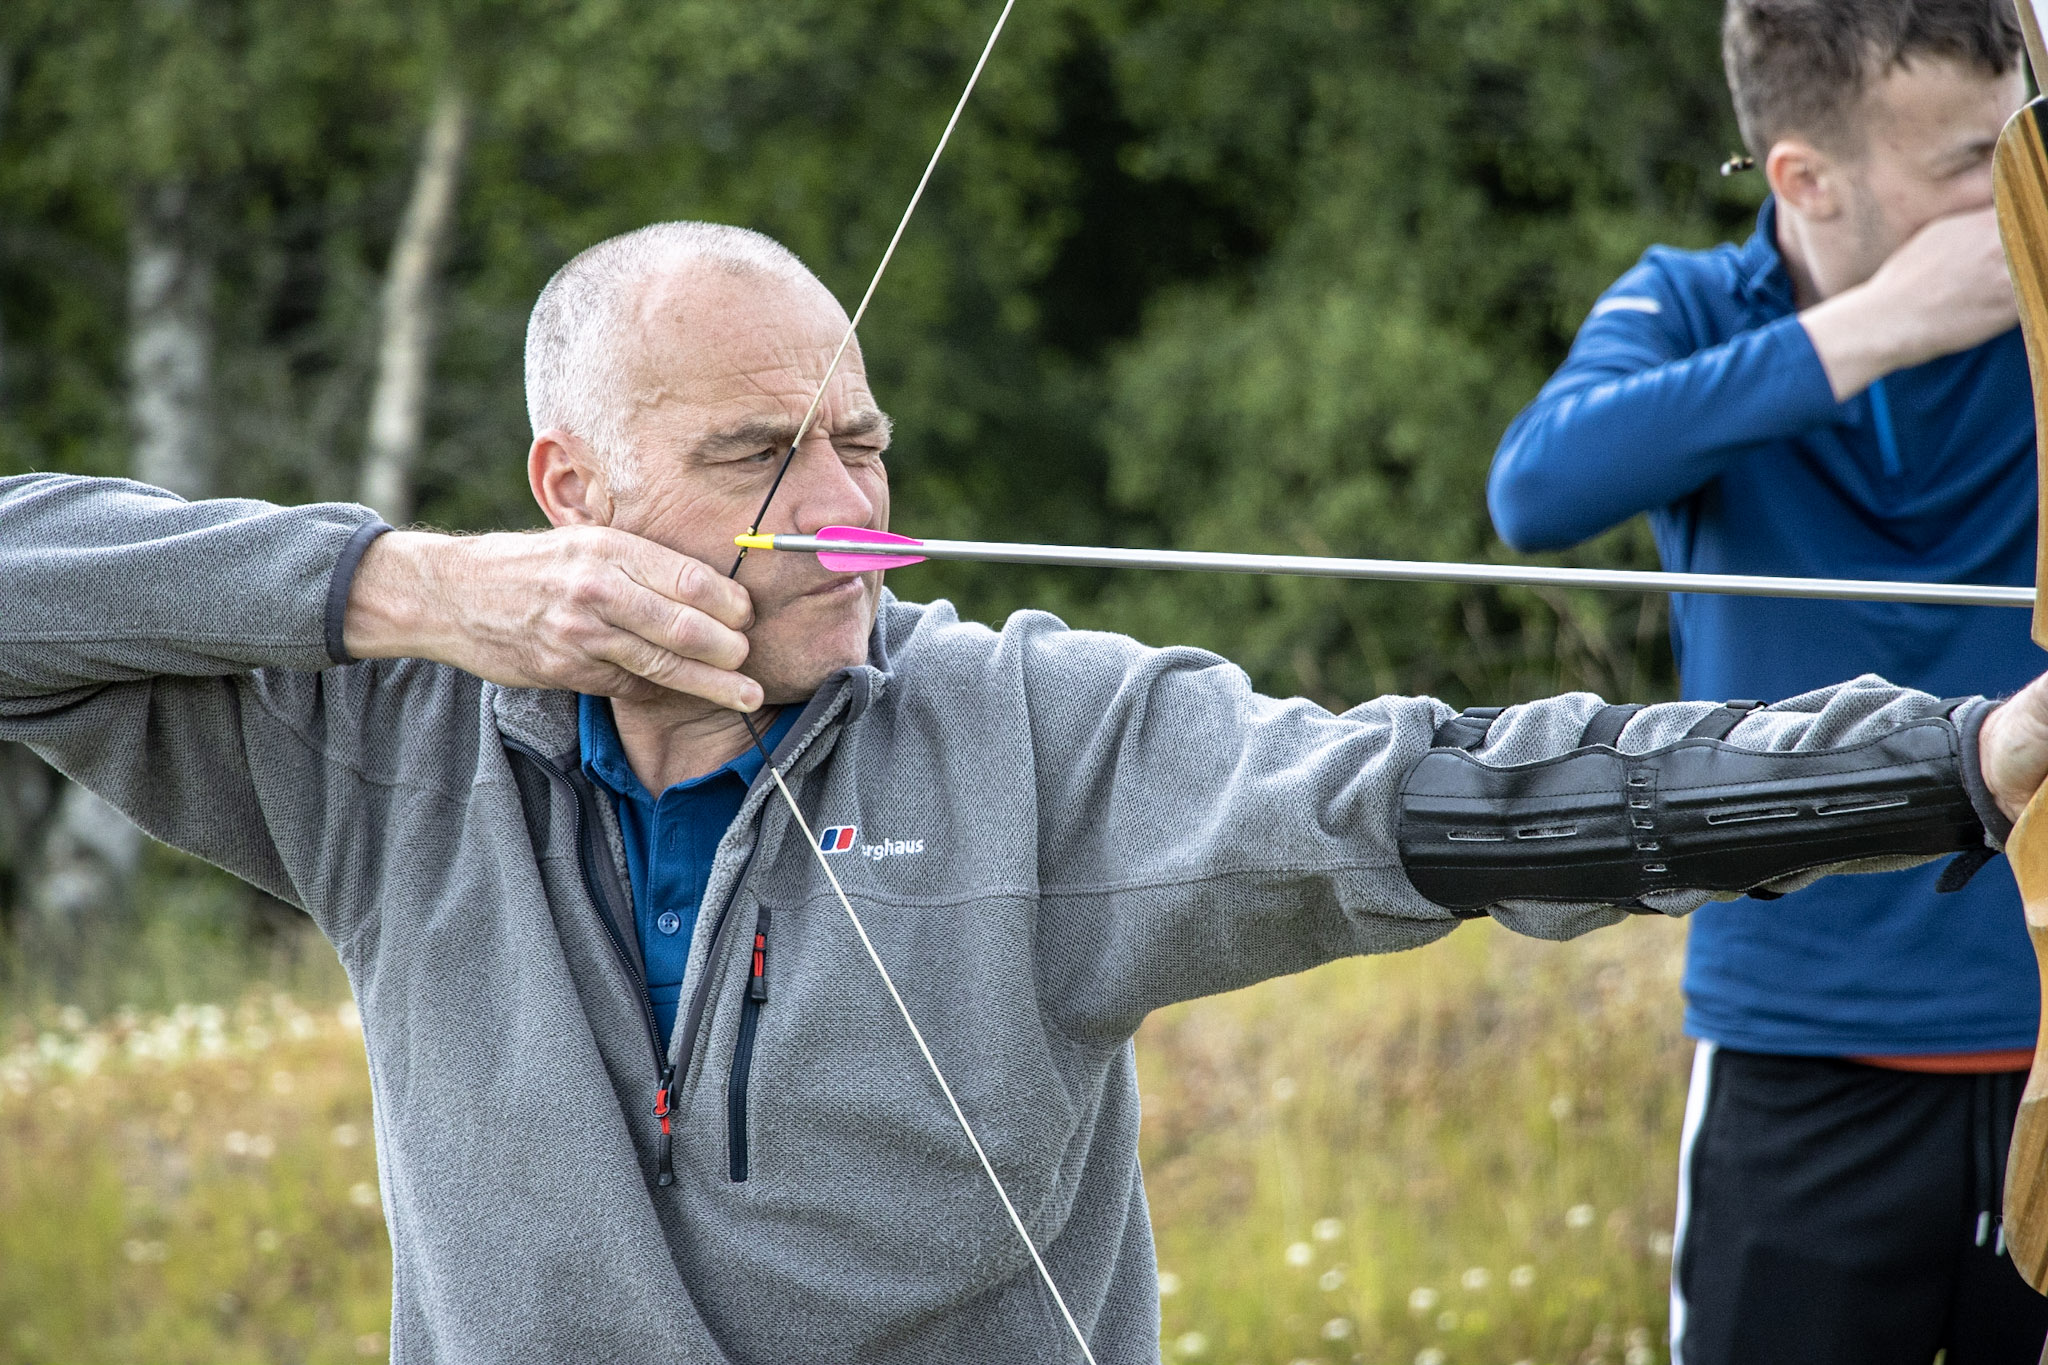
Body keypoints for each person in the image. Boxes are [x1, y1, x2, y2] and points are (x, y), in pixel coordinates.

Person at [6, 222, 2048, 1365]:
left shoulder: (1032, 736)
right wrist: (407, 590)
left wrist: (1964, 757)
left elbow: (1460, 796)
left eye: (864, 446)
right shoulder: (388, 743)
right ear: (569, 488)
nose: (845, 514)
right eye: (757, 457)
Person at [1486, 1, 2046, 1360]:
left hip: (2044, 1034)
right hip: (1801, 1059)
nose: (2016, 188)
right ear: (1805, 178)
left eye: (2023, 141)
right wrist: (1879, 327)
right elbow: (1540, 486)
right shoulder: (1697, 306)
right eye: (1976, 161)